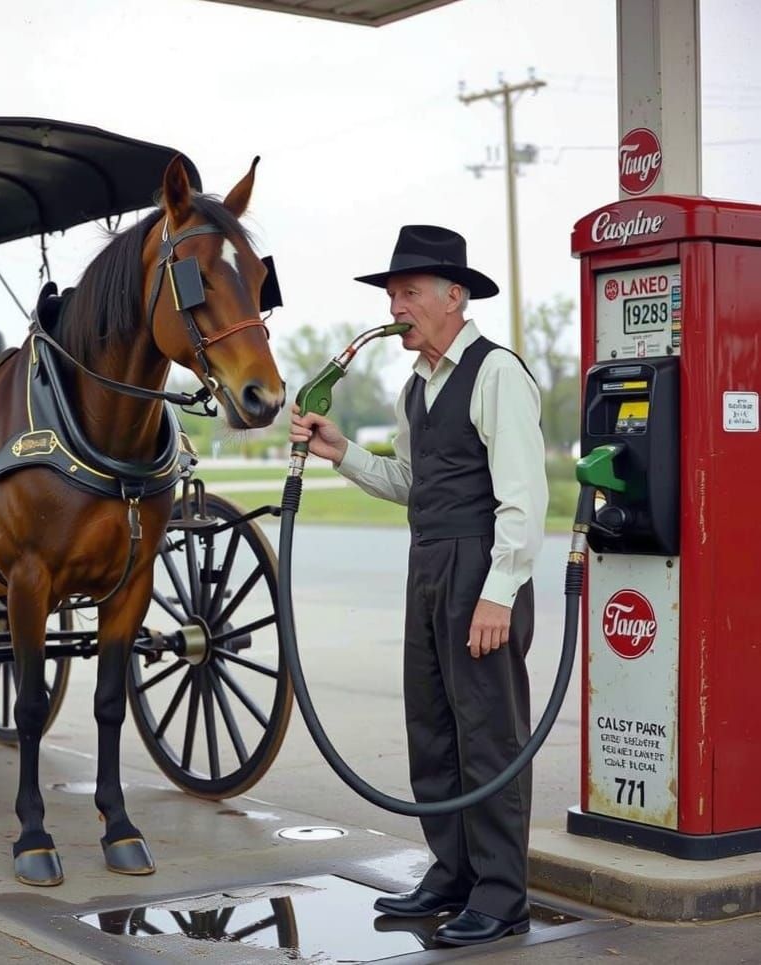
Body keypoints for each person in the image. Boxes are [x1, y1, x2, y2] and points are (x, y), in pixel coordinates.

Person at [290, 225, 548, 947]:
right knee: (434, 727)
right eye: (392, 295)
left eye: (407, 292)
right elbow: (412, 482)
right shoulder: (416, 386)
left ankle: (502, 892)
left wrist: (499, 591)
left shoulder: (496, 373)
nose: (395, 305)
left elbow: (524, 498)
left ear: (453, 297)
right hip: (429, 561)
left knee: (489, 731)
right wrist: (341, 452)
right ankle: (454, 869)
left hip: (481, 567)